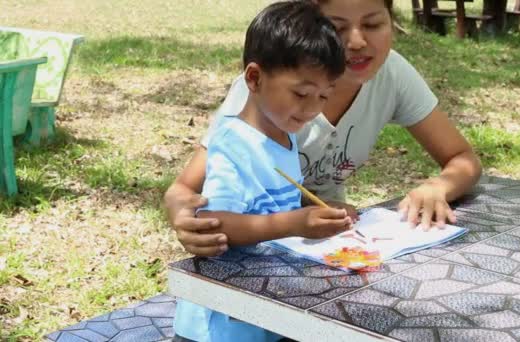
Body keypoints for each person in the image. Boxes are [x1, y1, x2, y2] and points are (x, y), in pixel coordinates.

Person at [164, 0, 482, 257]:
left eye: (373, 24)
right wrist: (185, 218)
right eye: (337, 27)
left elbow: (462, 158)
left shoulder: (392, 74)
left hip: (322, 245)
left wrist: (436, 188)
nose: (357, 41)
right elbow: (185, 191)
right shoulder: (263, 97)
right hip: (263, 255)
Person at [172, 1, 350, 341]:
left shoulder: (285, 134)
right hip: (220, 324)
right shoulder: (233, 142)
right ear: (254, 78)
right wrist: (295, 223)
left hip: (263, 308)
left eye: (323, 96)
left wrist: (318, 214)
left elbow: (270, 205)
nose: (312, 109)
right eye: (301, 93)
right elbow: (215, 223)